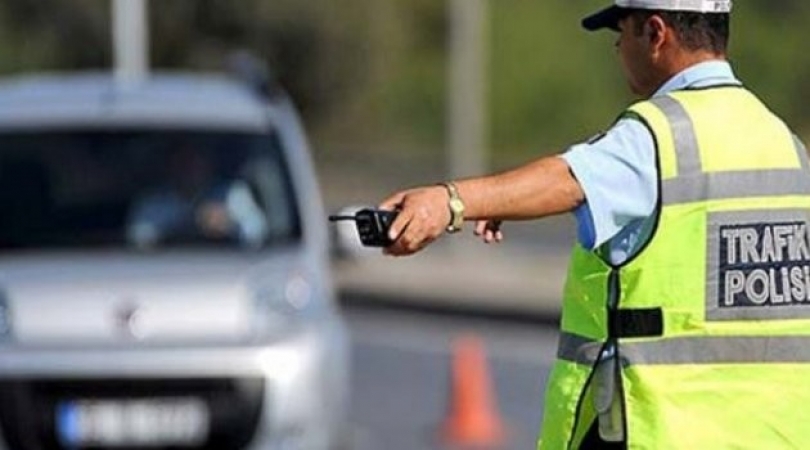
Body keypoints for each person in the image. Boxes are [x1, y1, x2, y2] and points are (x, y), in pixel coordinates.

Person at [378, 0, 810, 448]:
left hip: (669, 432)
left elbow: (567, 179)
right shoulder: (782, 141)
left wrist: (448, 201)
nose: (618, 47)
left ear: (657, 33)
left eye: (620, 33)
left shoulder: (659, 135)